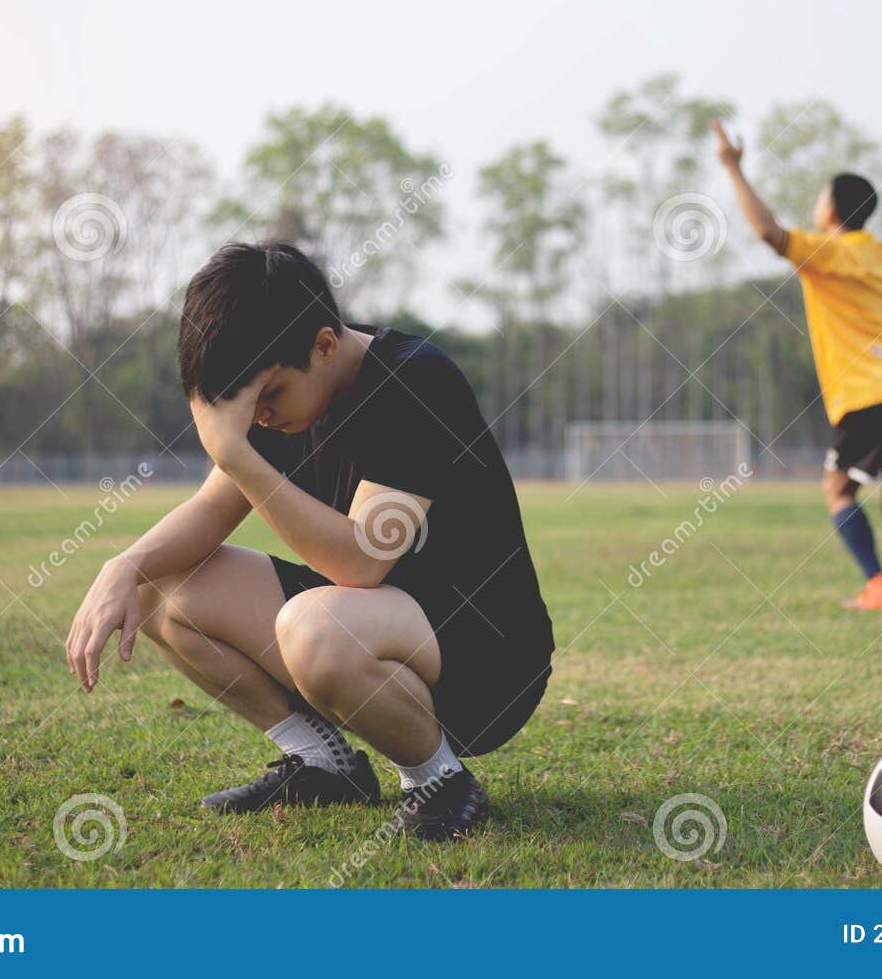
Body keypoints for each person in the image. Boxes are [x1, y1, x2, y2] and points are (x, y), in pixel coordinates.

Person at [64, 241, 554, 840]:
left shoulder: (413, 381)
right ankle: (325, 765)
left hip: (486, 656)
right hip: (380, 623)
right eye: (244, 411)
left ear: (324, 345)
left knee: (314, 627)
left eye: (267, 399)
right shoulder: (285, 388)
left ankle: (440, 783)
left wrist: (236, 454)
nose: (259, 418)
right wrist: (125, 564)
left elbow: (361, 562)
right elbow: (210, 511)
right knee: (163, 585)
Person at [713, 121, 882, 614]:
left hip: (871, 393)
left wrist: (733, 168)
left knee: (839, 489)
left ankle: (878, 586)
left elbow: (768, 233)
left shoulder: (825, 252)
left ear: (831, 210)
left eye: (820, 197)